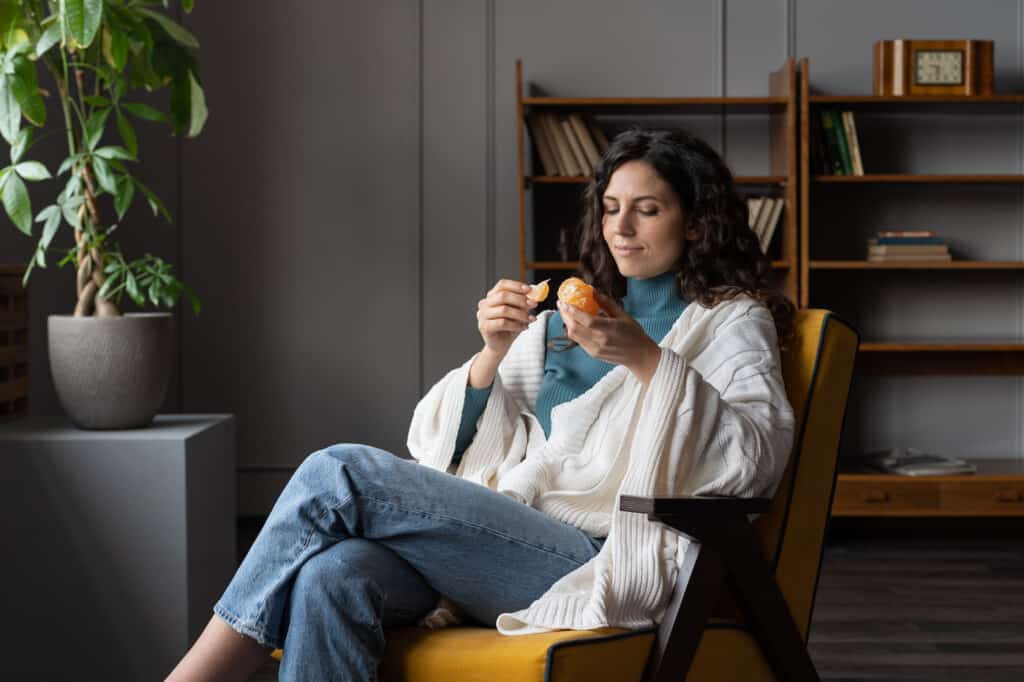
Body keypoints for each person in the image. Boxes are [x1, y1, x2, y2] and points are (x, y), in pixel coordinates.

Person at [166, 127, 797, 681]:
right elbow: (441, 446)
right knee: (332, 575)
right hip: (496, 543)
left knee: (339, 472)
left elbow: (753, 457)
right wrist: (492, 352)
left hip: (599, 558)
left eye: (647, 209)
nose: (622, 228)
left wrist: (648, 361)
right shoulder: (558, 326)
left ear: (694, 221)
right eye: (610, 209)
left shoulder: (729, 322)